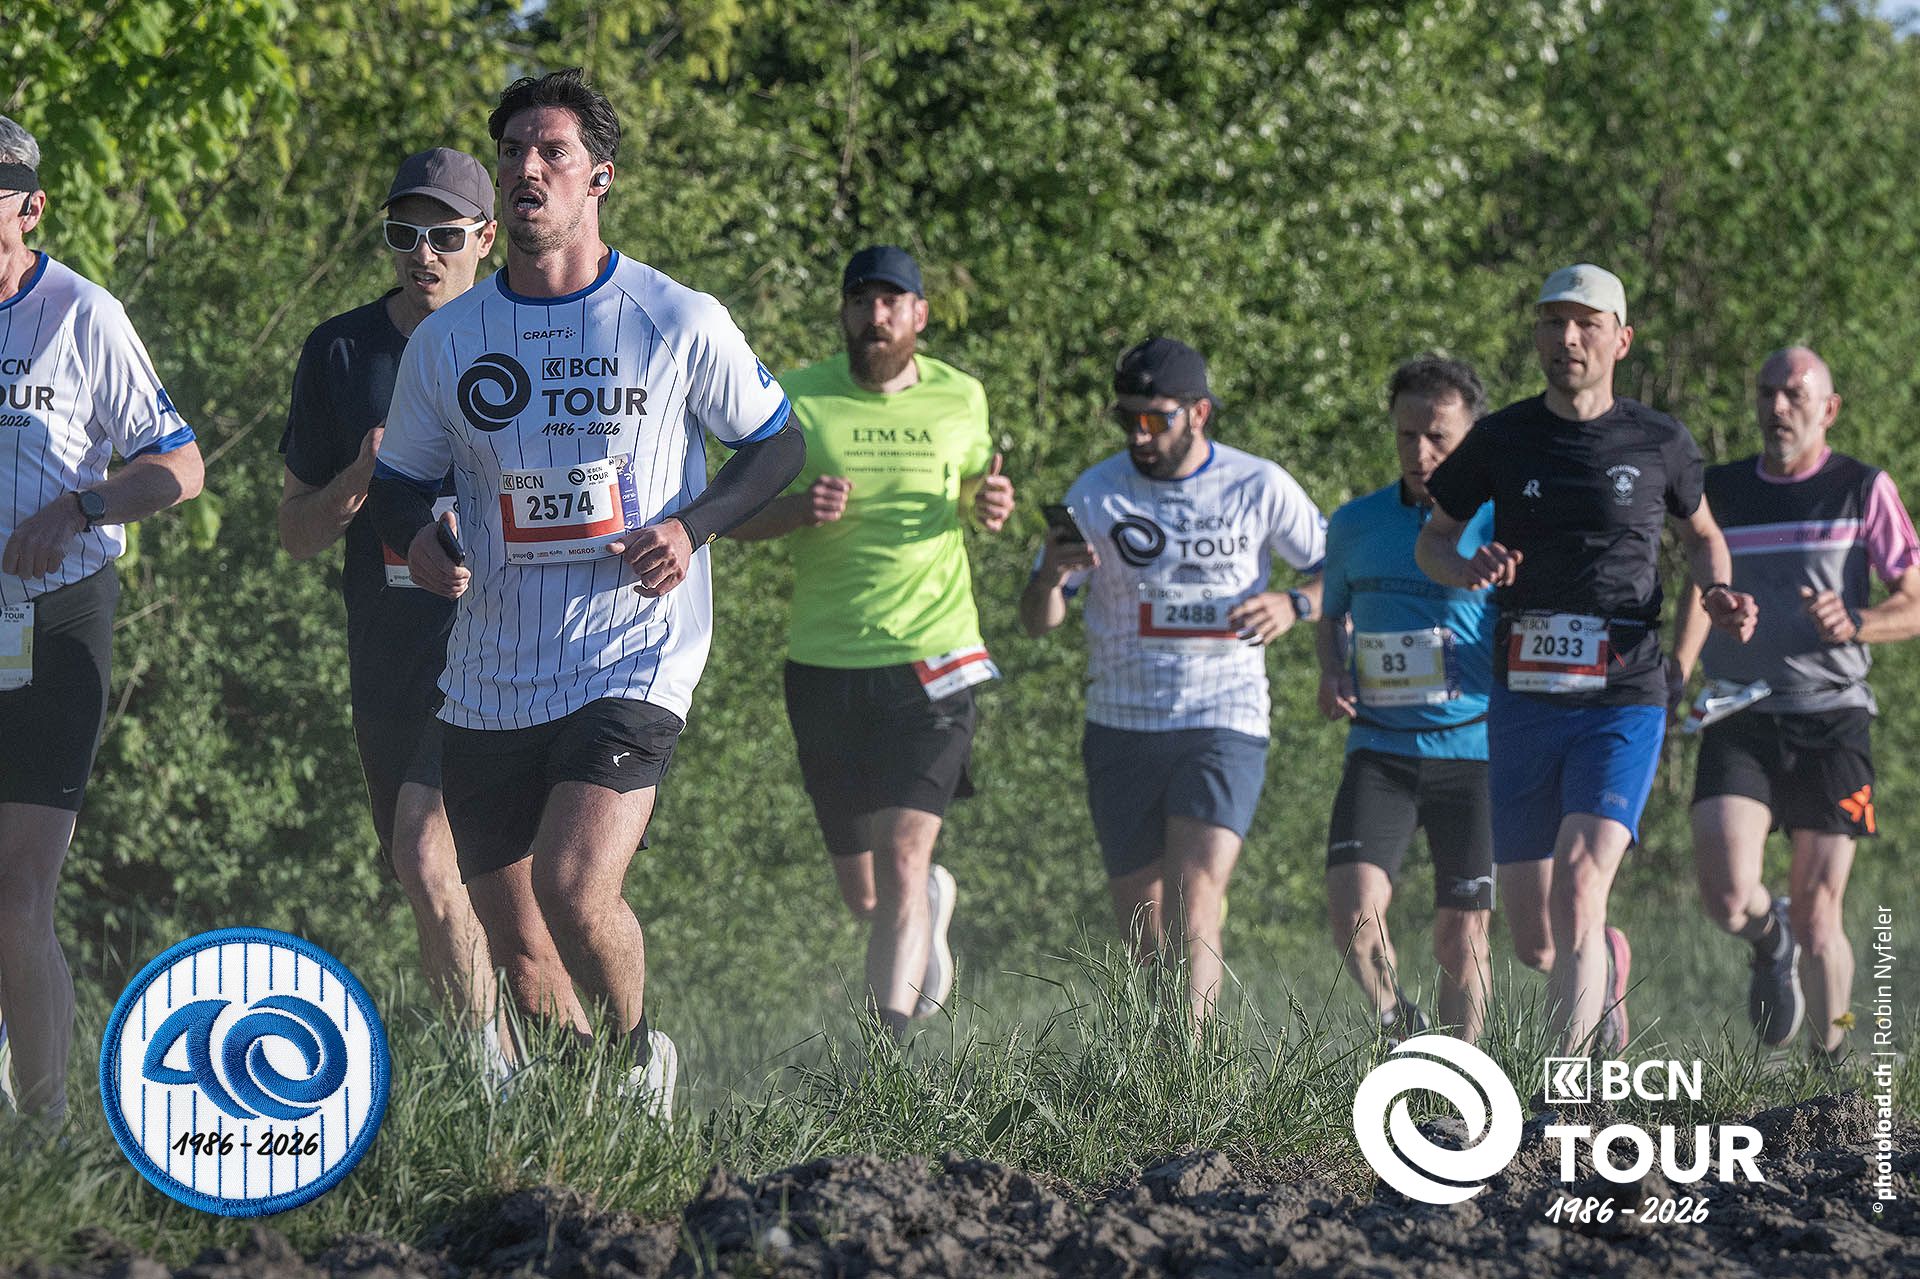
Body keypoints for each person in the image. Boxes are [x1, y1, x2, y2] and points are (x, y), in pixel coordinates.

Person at [366, 69, 803, 1115]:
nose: (527, 168)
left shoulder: (673, 316)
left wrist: (692, 527)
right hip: (492, 664)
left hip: (633, 647)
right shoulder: (449, 341)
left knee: (572, 885)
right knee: (518, 947)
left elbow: (778, 445)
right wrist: (418, 539)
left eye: (551, 151)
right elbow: (398, 484)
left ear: (599, 177)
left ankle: (640, 1059)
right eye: (513, 150)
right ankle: (586, 1115)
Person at [1417, 264, 1757, 1057]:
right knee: (1537, 936)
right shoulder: (1501, 437)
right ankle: (1607, 957)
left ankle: (1562, 1091)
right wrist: (1464, 567)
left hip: (1624, 694)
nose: (1566, 338)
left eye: (1586, 324)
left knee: (1579, 883)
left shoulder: (1660, 440)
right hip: (1525, 695)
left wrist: (1717, 593)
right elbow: (1433, 541)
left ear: (1621, 339)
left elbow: (1704, 536)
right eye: (1551, 322)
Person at [730, 246, 1014, 1038]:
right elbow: (730, 515)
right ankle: (927, 904)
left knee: (901, 859)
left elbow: (971, 487)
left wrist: (987, 503)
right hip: (826, 664)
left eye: (892, 302)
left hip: (936, 655)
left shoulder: (961, 396)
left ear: (920, 314)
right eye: (862, 301)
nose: (876, 316)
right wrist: (798, 509)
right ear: (844, 312)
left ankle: (886, 1053)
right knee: (866, 893)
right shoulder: (797, 398)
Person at [1020, 338, 1326, 1024]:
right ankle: (1161, 1060)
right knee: (1142, 922)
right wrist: (1049, 578)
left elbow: (1340, 570)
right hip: (1122, 720)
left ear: (1199, 414)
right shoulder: (1096, 492)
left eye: (1154, 420)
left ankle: (1196, 1065)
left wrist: (1294, 603)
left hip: (1224, 715)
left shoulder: (1258, 484)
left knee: (1196, 892)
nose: (1138, 434)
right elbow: (1039, 622)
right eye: (1126, 418)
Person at [279, 148, 503, 1075]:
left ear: (486, 238)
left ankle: (497, 1084)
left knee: (428, 856)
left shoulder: (523, 338)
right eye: (403, 233)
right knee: (435, 883)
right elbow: (295, 531)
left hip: (505, 651)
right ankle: (519, 1070)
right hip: (390, 658)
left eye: (444, 236)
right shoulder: (340, 351)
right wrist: (362, 477)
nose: (423, 253)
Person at [0, 116, 206, 1122]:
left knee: (17, 889)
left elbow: (180, 466)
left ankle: (44, 1134)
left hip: (56, 617)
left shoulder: (82, 313)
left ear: (30, 206)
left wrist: (79, 506)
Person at [1672, 347, 1919, 1064]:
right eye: (1766, 393)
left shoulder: (1862, 488)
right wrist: (1676, 674)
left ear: (1828, 409)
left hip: (1833, 717)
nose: (1777, 407)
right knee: (1727, 897)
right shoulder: (1720, 490)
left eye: (1794, 395)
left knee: (1821, 912)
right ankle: (1766, 937)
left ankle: (1829, 1067)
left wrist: (1858, 621)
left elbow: (1914, 598)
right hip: (1738, 712)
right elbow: (1699, 587)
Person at [1316, 355, 1495, 1043]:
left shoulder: (1502, 522)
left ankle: (1462, 1078)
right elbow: (1331, 615)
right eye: (1406, 436)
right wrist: (1332, 672)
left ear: (1472, 436)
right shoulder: (1355, 522)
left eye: (1438, 438)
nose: (1420, 454)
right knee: (1352, 915)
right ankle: (1402, 1029)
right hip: (1381, 747)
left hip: (1474, 750)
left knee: (1462, 936)